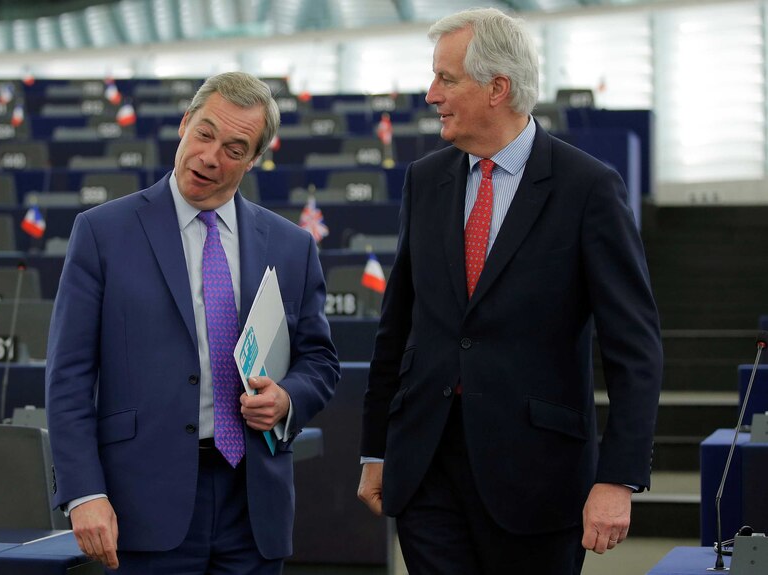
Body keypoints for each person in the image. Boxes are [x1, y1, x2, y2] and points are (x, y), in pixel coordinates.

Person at [357, 7, 662, 574]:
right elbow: (397, 327)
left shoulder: (589, 189)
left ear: (498, 87)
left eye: (446, 79)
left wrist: (617, 479)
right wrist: (376, 450)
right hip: (426, 471)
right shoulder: (425, 180)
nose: (430, 94)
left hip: (538, 482)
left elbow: (635, 351)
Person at [46, 71, 340, 574]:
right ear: (184, 125)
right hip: (141, 504)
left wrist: (288, 397)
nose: (209, 156)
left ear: (253, 160)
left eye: (234, 147)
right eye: (204, 134)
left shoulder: (291, 247)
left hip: (254, 506)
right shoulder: (102, 233)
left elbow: (320, 361)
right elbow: (68, 376)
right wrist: (83, 492)